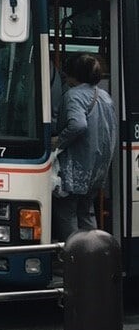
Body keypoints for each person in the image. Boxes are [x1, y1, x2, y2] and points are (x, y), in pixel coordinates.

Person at [52, 53, 117, 243]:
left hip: (76, 168)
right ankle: (93, 255)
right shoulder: (104, 96)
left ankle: (74, 257)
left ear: (73, 75)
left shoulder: (73, 95)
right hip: (97, 168)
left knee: (67, 213)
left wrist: (59, 141)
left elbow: (78, 125)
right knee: (87, 212)